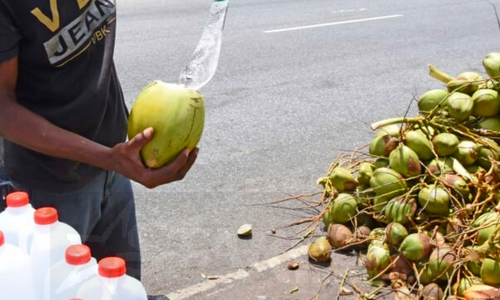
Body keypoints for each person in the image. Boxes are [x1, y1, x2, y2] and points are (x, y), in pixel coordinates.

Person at [0, 0, 199, 280]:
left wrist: (113, 158)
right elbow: (3, 109)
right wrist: (107, 157)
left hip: (113, 167)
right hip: (49, 187)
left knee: (122, 286)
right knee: (60, 289)